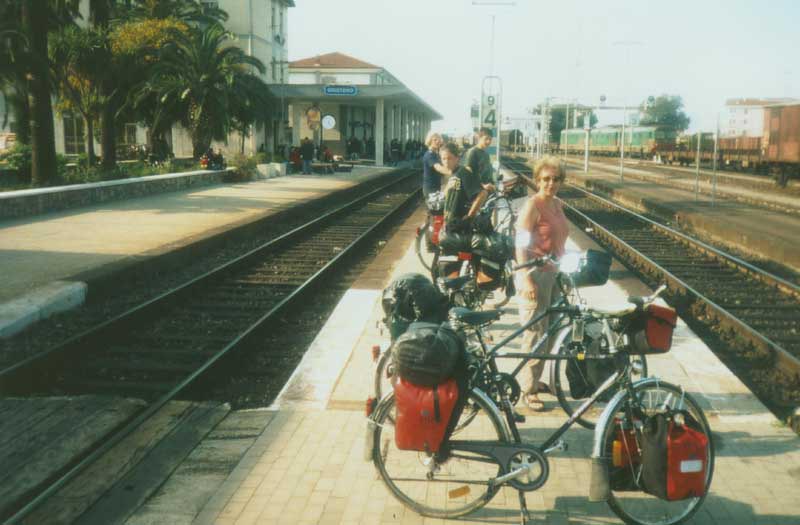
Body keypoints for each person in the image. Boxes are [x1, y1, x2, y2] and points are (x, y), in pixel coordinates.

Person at [514, 155, 569, 412]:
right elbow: (520, 244)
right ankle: (527, 389)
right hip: (534, 275)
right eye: (546, 179)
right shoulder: (532, 206)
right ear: (537, 180)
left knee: (553, 330)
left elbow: (560, 240)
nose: (551, 183)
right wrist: (525, 277)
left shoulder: (558, 204)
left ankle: (537, 380)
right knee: (535, 332)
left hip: (554, 273)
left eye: (556, 179)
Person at [441, 142, 488, 236]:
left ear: (457, 158)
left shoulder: (463, 172)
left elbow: (482, 193)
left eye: (449, 158)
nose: (446, 162)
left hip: (460, 226)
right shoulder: (452, 174)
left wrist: (469, 217)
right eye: (443, 159)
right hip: (451, 224)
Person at [421, 131, 452, 197]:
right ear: (429, 141)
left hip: (436, 187)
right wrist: (452, 172)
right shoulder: (430, 155)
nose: (438, 141)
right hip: (430, 189)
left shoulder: (436, 154)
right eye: (435, 140)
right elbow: (438, 168)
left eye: (439, 139)